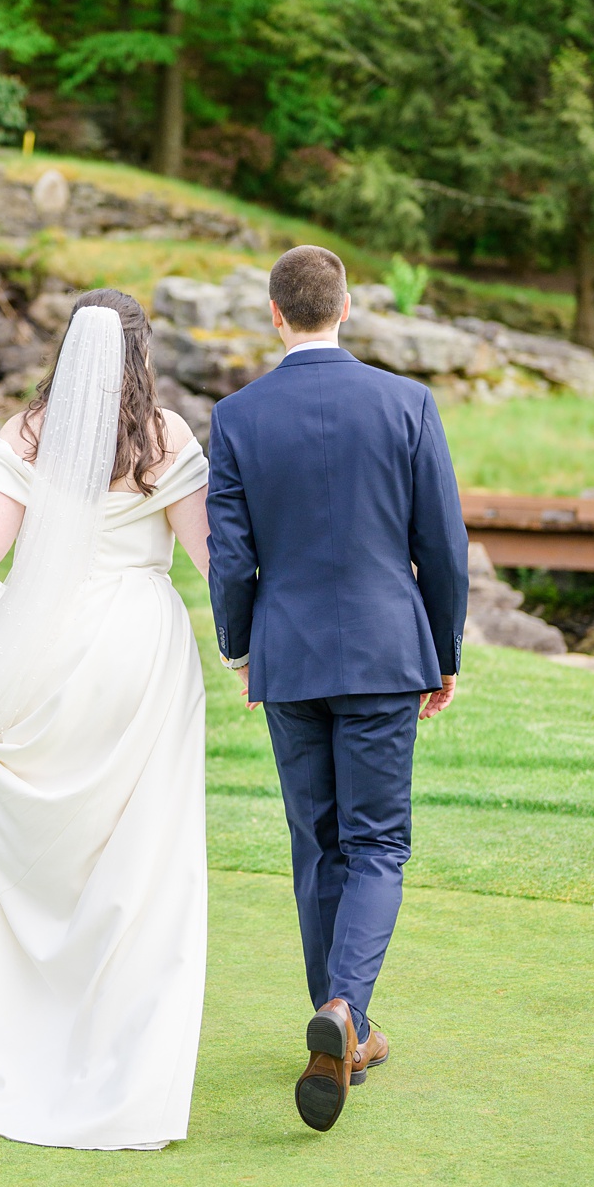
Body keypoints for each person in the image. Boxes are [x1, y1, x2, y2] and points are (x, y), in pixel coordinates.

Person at [0, 290, 213, 1150]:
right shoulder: (168, 437)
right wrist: (251, 652)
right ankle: (126, 1059)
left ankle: (24, 1017)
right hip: (141, 654)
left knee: (42, 854)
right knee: (139, 856)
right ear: (141, 355)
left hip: (44, 647)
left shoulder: (27, 433)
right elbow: (214, 559)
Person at [206, 245, 468, 1133]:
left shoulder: (236, 417)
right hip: (389, 654)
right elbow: (443, 543)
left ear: (275, 315)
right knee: (379, 845)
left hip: (290, 657)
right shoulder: (407, 403)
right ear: (345, 306)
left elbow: (233, 558)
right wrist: (445, 651)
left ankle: (339, 1023)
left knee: (317, 845)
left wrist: (244, 649)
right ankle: (348, 1012)